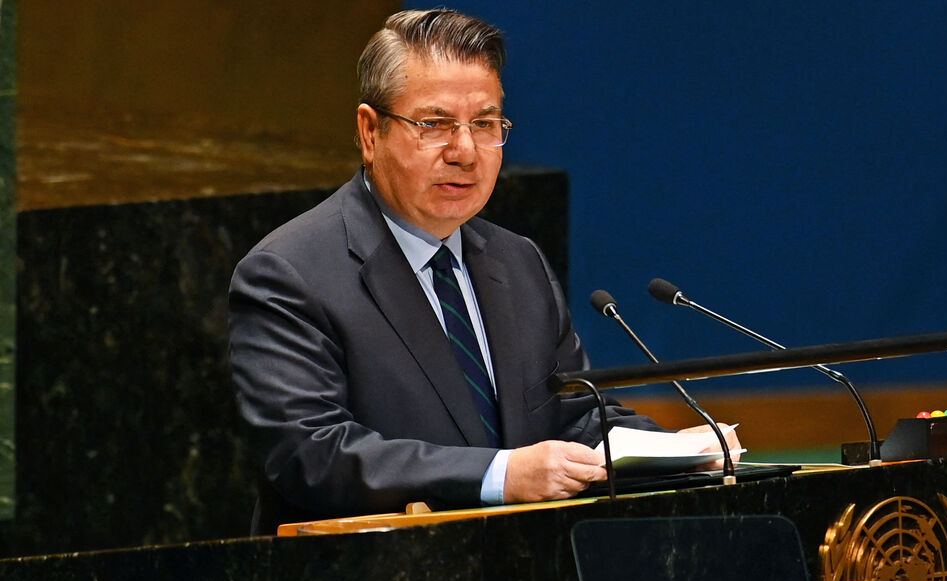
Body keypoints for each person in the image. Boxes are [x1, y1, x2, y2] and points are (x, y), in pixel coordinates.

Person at [228, 9, 738, 534]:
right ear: (370, 131)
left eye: (485, 124)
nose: (465, 152)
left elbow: (574, 418)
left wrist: (679, 452)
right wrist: (502, 474)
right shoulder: (289, 274)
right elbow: (311, 454)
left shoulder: (517, 262)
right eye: (435, 125)